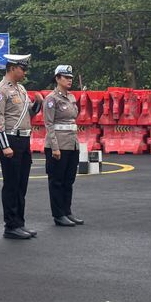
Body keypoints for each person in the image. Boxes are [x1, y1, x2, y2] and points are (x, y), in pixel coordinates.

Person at [0, 54, 39, 239]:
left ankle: (20, 222)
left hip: (24, 140)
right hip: (10, 140)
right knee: (11, 184)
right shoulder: (0, 90)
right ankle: (11, 225)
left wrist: (38, 104)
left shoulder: (21, 89)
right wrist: (4, 146)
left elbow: (29, 114)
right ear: (12, 68)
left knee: (21, 184)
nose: (25, 72)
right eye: (22, 69)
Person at [43, 64, 84, 227]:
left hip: (71, 144)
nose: (69, 80)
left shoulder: (71, 97)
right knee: (57, 181)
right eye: (66, 77)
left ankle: (67, 211)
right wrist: (55, 147)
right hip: (58, 145)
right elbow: (49, 124)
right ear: (57, 79)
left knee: (68, 180)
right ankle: (58, 214)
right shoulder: (52, 99)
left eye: (70, 78)